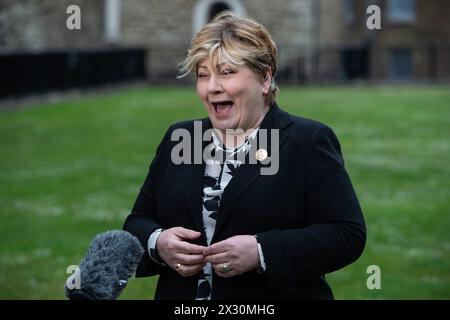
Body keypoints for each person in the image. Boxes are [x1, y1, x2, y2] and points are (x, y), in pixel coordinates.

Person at [123, 12, 366, 300]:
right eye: (203, 75)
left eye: (227, 72)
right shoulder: (182, 138)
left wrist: (262, 251)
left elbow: (346, 234)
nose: (212, 87)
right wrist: (158, 242)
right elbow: (138, 221)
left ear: (265, 78)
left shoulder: (306, 140)